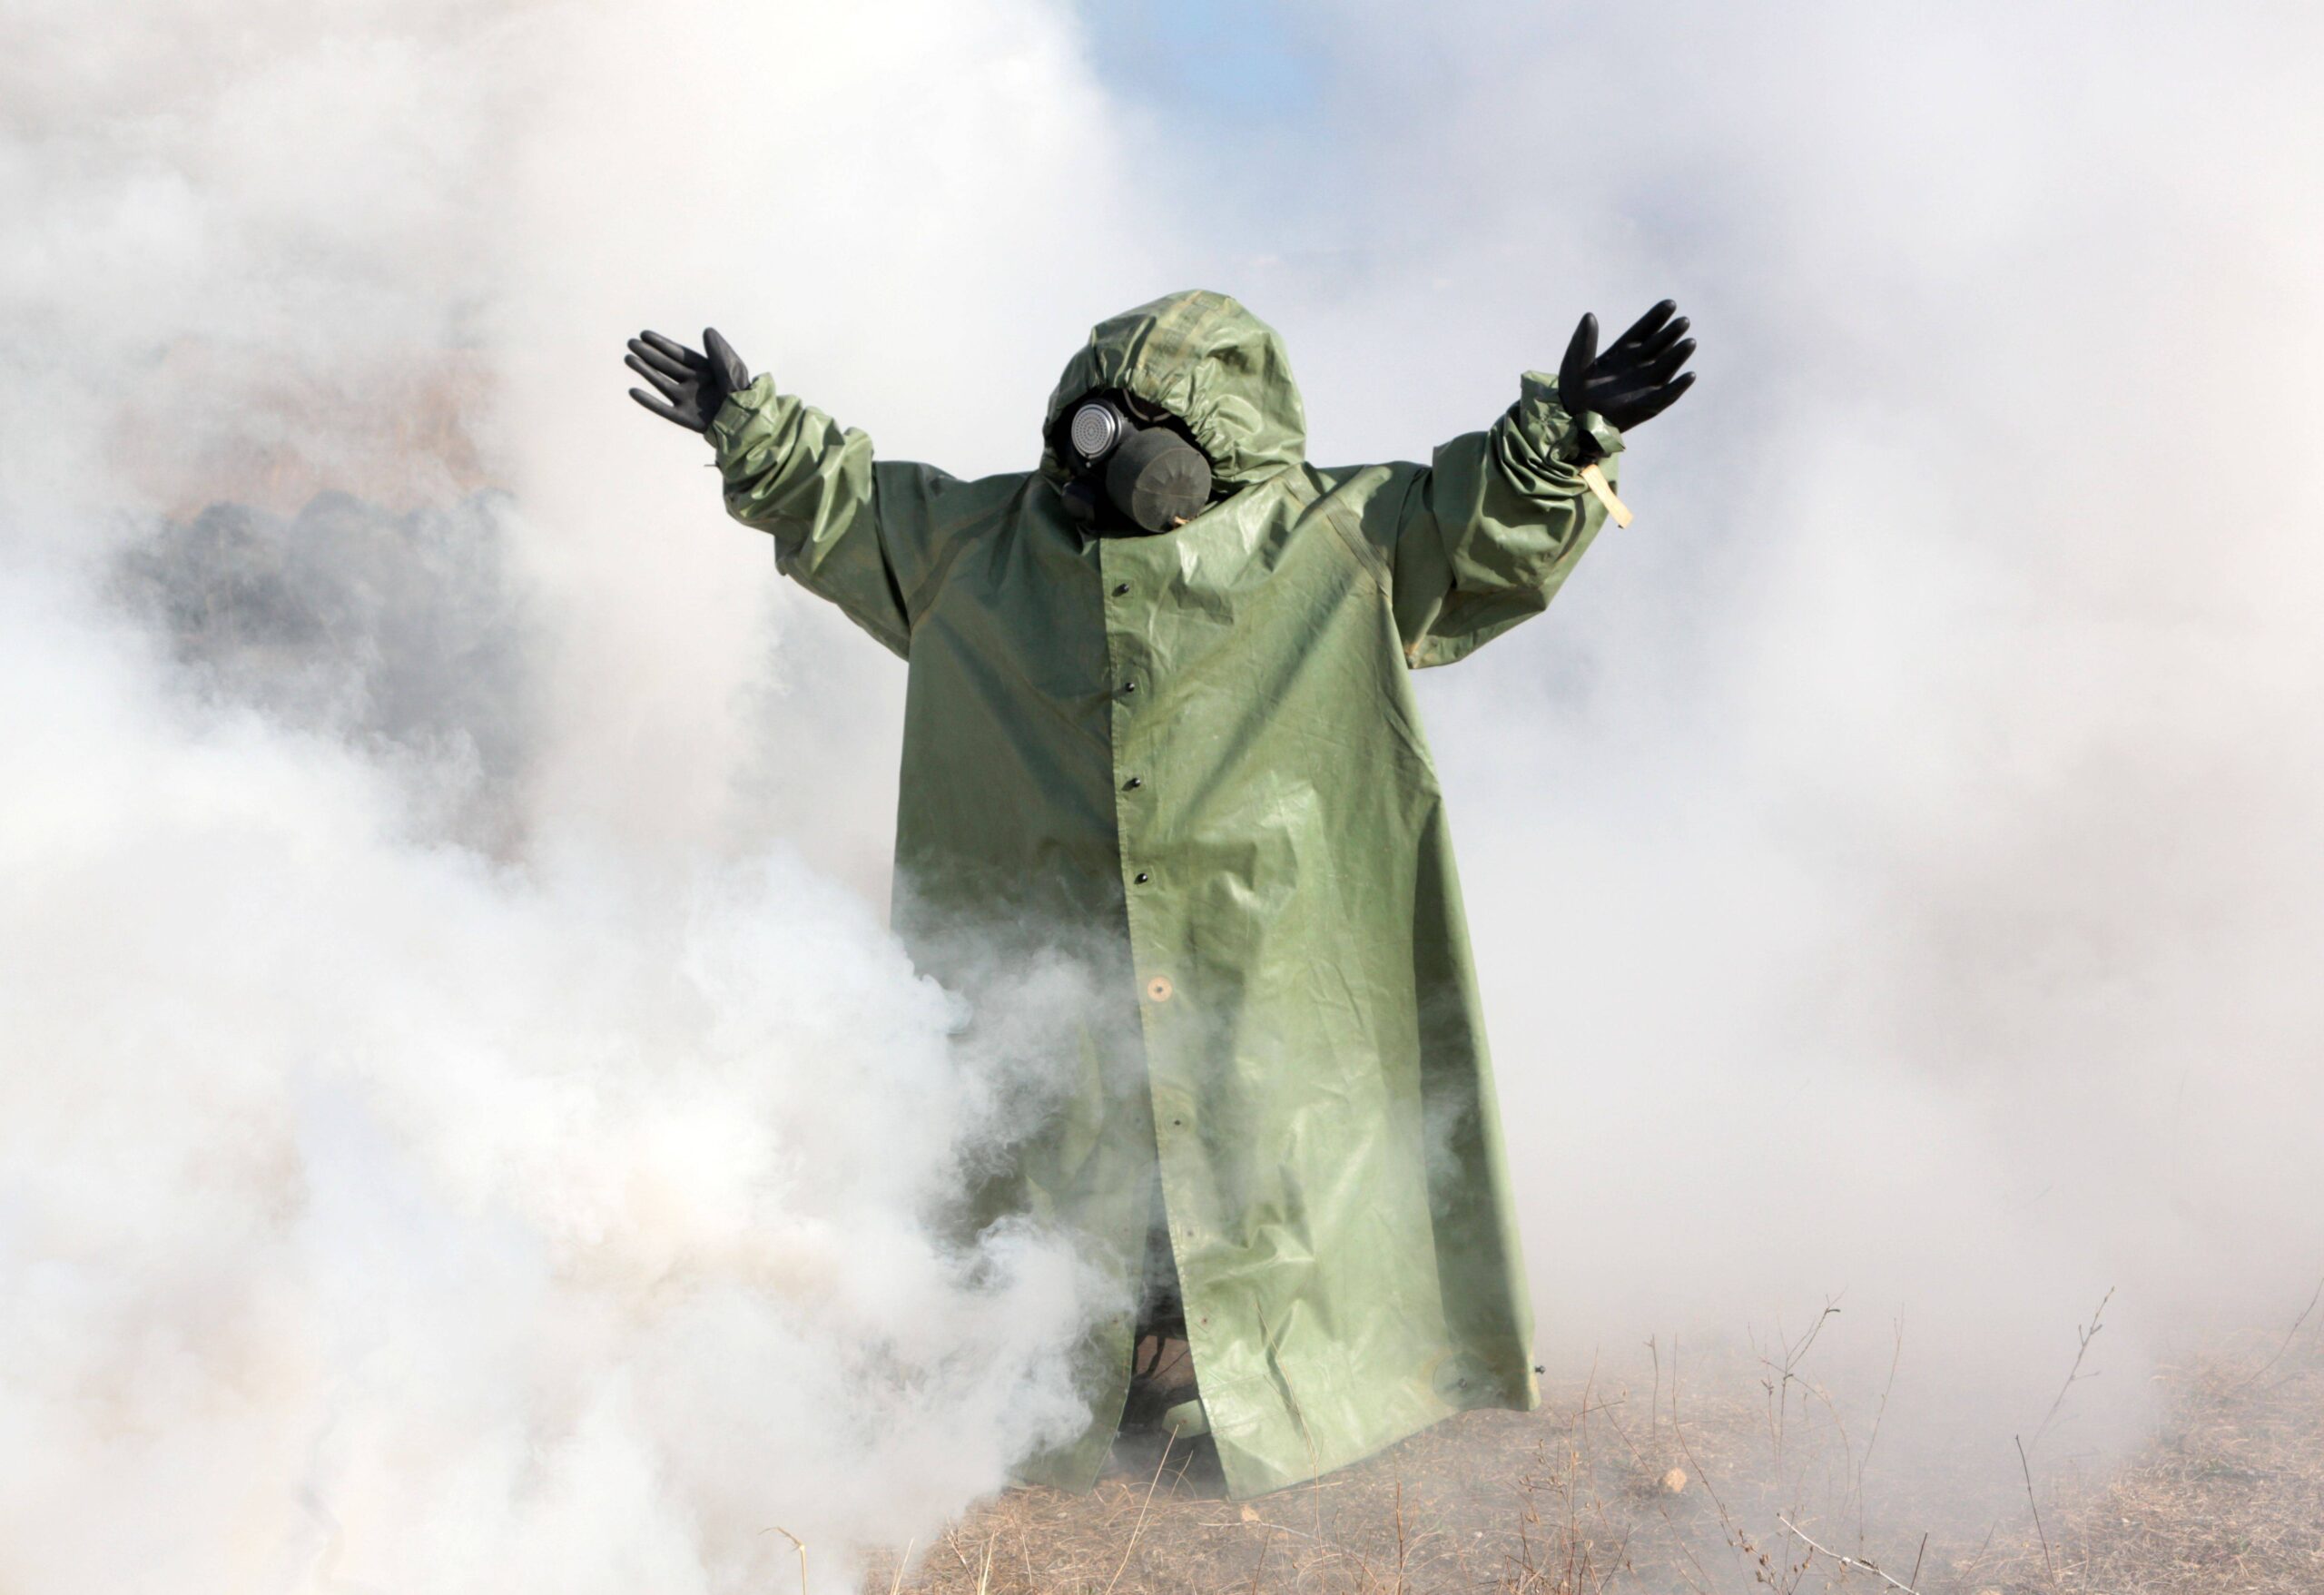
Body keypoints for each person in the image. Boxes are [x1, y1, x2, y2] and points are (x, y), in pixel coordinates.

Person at [625, 290, 1695, 1498]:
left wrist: (1564, 435)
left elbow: (1481, 520)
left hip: (1270, 940)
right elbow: (861, 507)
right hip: (1056, 939)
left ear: (1213, 440)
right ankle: (1084, 1374)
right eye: (1084, 429)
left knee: (1269, 1158)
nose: (1098, 465)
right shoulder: (988, 546)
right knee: (1069, 1146)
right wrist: (749, 427)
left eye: (1131, 431)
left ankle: (1251, 1382)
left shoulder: (1338, 537)